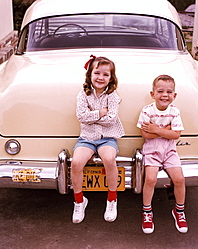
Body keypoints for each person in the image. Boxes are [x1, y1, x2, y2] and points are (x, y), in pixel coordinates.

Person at [71, 55, 125, 224]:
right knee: (76, 163)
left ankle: (112, 199)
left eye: (105, 74)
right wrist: (100, 112)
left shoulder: (113, 96)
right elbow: (81, 116)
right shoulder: (82, 95)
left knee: (109, 159)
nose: (100, 78)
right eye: (97, 73)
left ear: (111, 78)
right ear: (90, 75)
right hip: (86, 138)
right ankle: (79, 201)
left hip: (107, 138)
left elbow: (111, 119)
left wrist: (91, 116)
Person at [137, 75, 188, 234]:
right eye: (160, 91)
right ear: (152, 94)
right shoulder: (147, 110)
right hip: (151, 150)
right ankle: (147, 212)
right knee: (150, 179)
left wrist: (156, 129)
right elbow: (146, 135)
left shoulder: (175, 112)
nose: (164, 95)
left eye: (169, 92)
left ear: (174, 95)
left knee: (179, 179)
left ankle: (179, 211)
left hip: (169, 150)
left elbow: (176, 135)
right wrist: (166, 130)